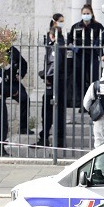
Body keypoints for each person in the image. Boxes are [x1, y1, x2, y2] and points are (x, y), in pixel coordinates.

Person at [36, 14, 69, 148]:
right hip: (59, 81)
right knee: (58, 111)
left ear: (51, 36)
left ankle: (45, 138)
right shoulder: (60, 44)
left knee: (48, 111)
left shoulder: (56, 46)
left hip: (54, 83)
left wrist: (46, 76)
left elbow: (54, 65)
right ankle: (58, 139)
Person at [67, 5, 104, 110]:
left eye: (88, 13)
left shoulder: (97, 26)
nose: (86, 15)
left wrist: (98, 47)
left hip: (93, 55)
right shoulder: (76, 26)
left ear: (92, 14)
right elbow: (69, 40)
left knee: (94, 80)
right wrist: (74, 48)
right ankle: (82, 103)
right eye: (84, 13)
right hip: (79, 56)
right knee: (80, 80)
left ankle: (94, 103)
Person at [6, 46, 32, 134]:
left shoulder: (12, 50)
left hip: (12, 82)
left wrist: (20, 74)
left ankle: (23, 128)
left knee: (25, 99)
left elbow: (23, 63)